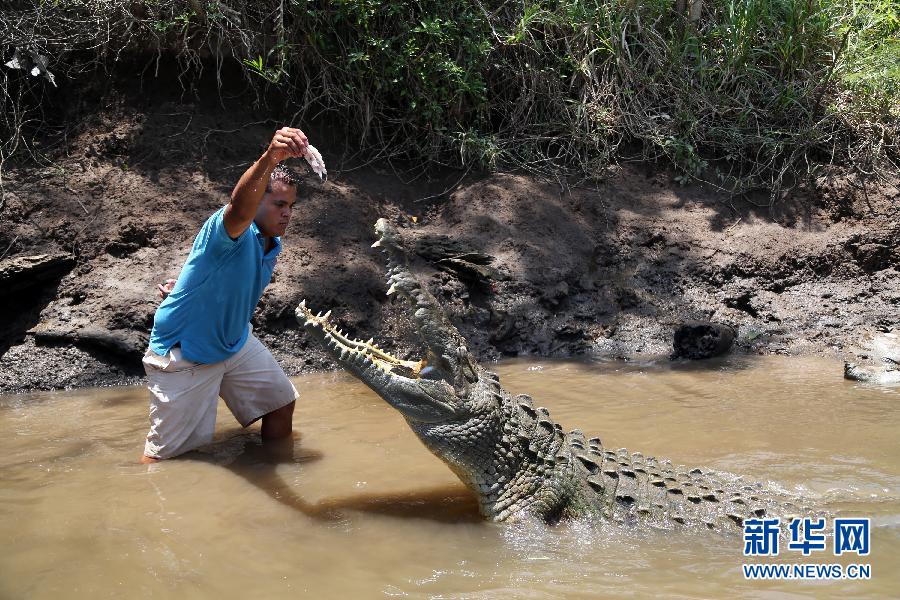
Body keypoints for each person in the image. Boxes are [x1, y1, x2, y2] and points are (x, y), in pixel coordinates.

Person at [139, 127, 310, 464]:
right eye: (278, 204)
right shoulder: (230, 227)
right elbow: (239, 209)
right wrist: (270, 157)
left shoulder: (271, 242)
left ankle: (271, 470)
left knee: (280, 402)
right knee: (165, 463)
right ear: (258, 199)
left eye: (290, 205)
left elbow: (216, 277)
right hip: (186, 353)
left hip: (233, 341)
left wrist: (184, 293)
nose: (287, 213)